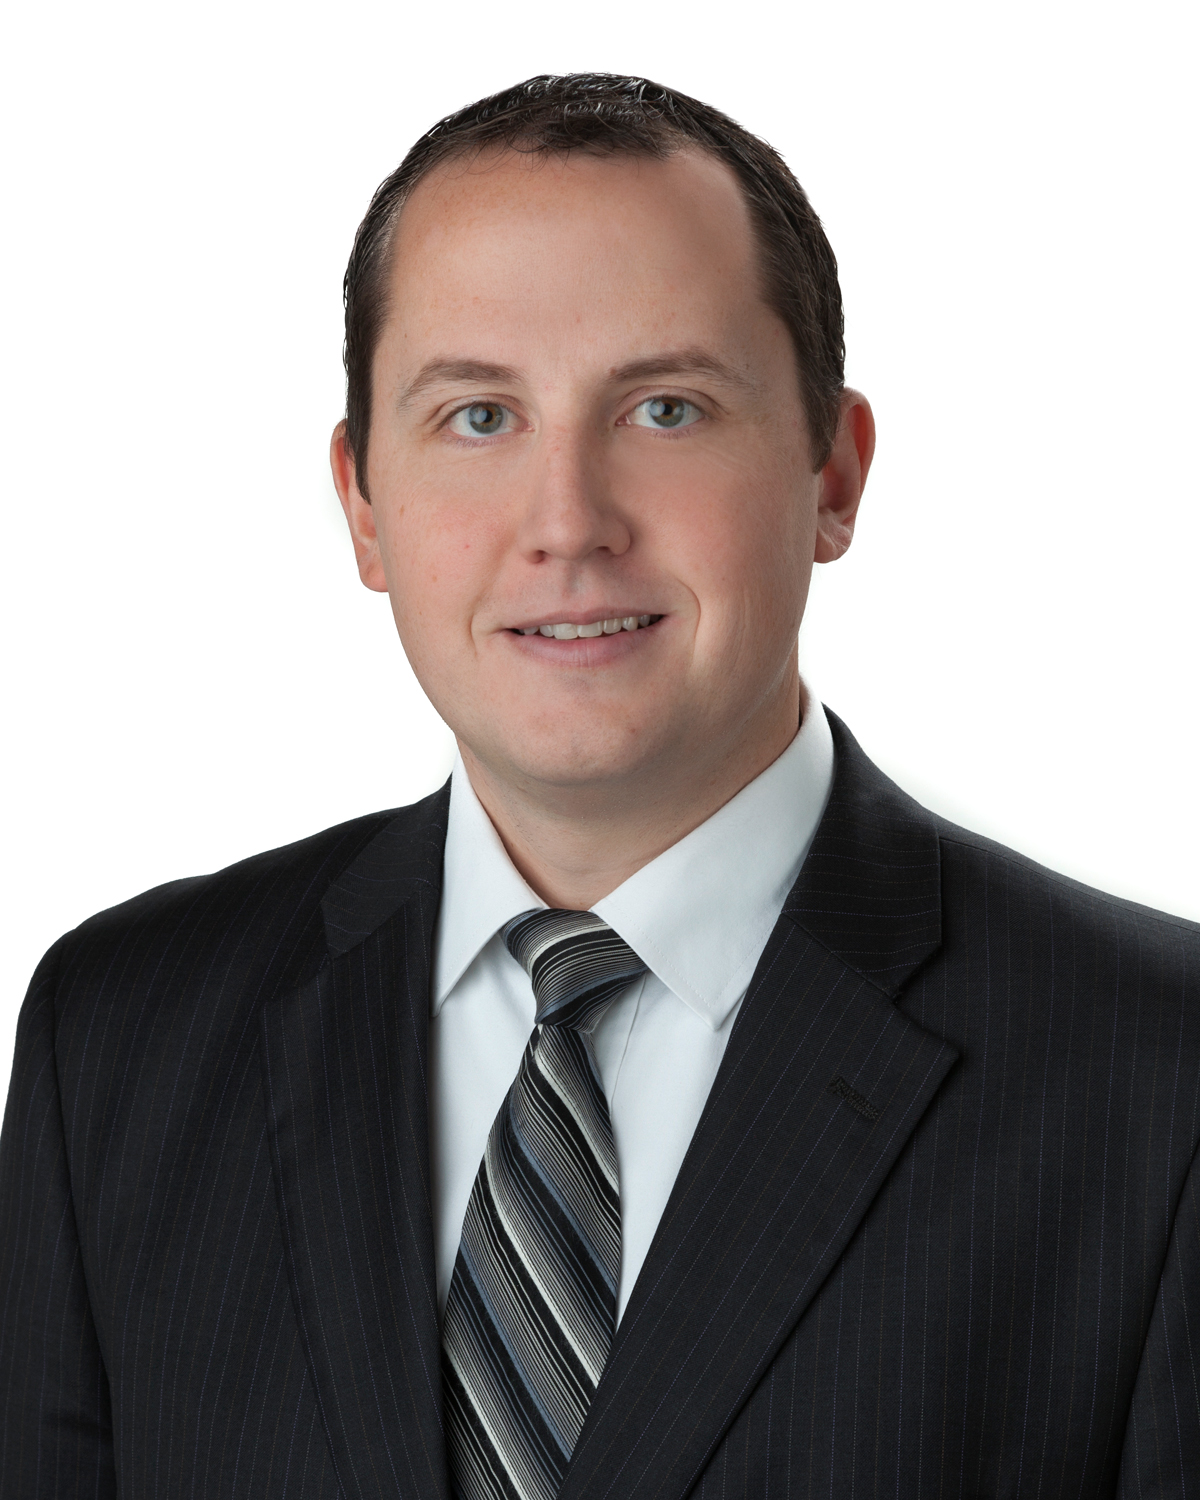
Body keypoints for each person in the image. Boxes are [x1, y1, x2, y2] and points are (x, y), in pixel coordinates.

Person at [0, 71, 1197, 1500]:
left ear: (833, 474)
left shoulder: (1157, 1079)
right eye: (479, 417)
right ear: (363, 502)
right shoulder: (120, 1038)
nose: (568, 523)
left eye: (666, 409)